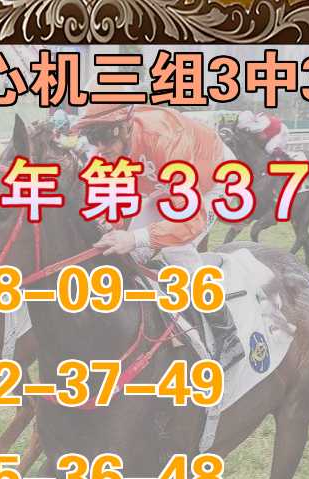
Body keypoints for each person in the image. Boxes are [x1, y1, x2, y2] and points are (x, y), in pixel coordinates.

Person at [72, 103, 243, 370]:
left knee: (175, 248)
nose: (101, 147)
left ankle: (227, 332)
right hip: (161, 186)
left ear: (126, 127)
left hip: (212, 181)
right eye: (93, 138)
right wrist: (115, 231)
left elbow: (190, 220)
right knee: (128, 251)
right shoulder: (103, 156)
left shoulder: (166, 139)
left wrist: (136, 237)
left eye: (106, 136)